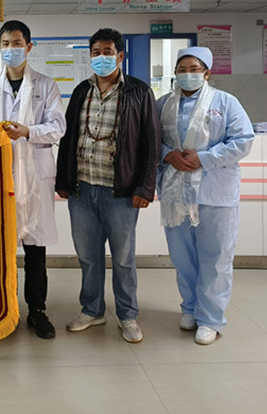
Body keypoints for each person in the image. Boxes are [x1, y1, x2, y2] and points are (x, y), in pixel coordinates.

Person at [55, 28, 160, 344]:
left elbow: (151, 143)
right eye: (96, 52)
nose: (101, 57)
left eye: (107, 52)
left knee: (123, 259)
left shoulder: (139, 92)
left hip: (121, 192)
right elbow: (68, 138)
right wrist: (63, 180)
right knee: (88, 256)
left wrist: (145, 188)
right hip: (82, 189)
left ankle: (127, 315)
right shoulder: (80, 91)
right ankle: (92, 309)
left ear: (120, 56)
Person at [156, 46, 254, 345]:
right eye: (182, 69)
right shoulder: (163, 104)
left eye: (194, 69)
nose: (188, 74)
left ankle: (210, 318)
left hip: (215, 191)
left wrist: (205, 158)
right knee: (182, 256)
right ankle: (189, 308)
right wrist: (168, 154)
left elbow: (243, 140)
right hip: (175, 192)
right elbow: (149, 139)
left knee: (216, 256)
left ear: (207, 73)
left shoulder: (226, 102)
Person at [0, 20, 66, 339]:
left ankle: (37, 311)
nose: (11, 49)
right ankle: (1, 309)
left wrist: (29, 131)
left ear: (28, 47)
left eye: (17, 44)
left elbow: (58, 127)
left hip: (36, 175)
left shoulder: (46, 84)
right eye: (5, 44)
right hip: (2, 175)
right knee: (0, 249)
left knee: (35, 251)